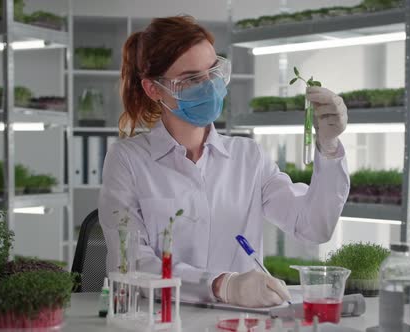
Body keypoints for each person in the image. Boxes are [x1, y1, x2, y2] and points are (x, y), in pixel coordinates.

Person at [99, 15, 350, 308]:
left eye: (213, 71)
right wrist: (221, 285)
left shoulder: (249, 157)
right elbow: (130, 266)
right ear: (154, 89)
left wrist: (329, 148)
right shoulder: (127, 160)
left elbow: (313, 227)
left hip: (242, 322)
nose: (208, 86)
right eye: (191, 79)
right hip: (166, 320)